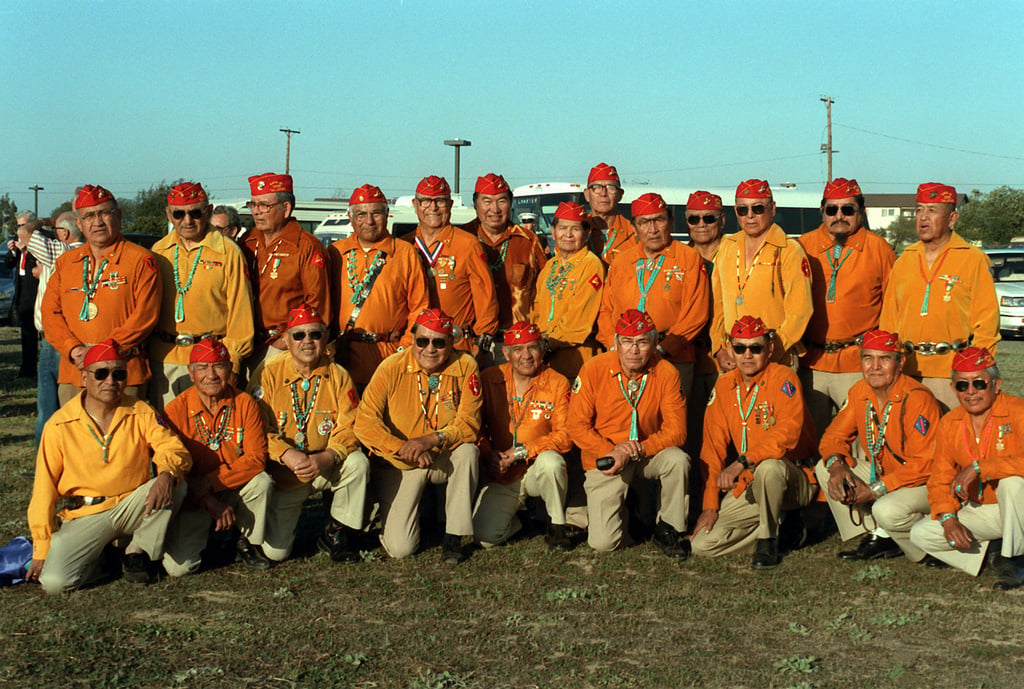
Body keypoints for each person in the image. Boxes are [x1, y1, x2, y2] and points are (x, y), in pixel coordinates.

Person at [25, 340, 191, 594]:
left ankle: (138, 553)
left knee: (175, 484)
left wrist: (167, 472)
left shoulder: (140, 411)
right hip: (86, 513)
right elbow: (44, 490)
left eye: (119, 374)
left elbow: (173, 447)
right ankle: (103, 558)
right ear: (84, 377)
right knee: (55, 583)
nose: (110, 381)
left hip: (132, 505)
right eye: (101, 373)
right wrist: (41, 546)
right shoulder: (59, 424)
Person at [354, 308, 482, 563]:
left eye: (439, 342)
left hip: (441, 454)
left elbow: (469, 422)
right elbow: (364, 423)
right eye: (422, 341)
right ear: (412, 340)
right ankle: (396, 512)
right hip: (402, 462)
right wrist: (403, 447)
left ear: (451, 343)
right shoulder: (391, 367)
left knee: (468, 451)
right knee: (401, 548)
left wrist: (431, 440)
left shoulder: (466, 364)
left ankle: (453, 536)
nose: (430, 349)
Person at [247, 305, 369, 564]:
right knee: (276, 553)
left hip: (323, 465)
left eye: (314, 334)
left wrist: (329, 456)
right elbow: (254, 426)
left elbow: (350, 425)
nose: (307, 342)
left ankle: (336, 532)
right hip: (286, 471)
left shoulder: (338, 375)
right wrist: (284, 453)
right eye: (299, 335)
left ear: (325, 339)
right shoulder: (268, 372)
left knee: (358, 463)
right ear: (286, 340)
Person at [692, 316, 817, 569]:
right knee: (702, 545)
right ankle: (780, 528)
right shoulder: (725, 384)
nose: (747, 355)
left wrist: (742, 461)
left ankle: (767, 541)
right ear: (730, 350)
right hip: (750, 481)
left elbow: (787, 434)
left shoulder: (784, 378)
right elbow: (713, 447)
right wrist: (709, 505)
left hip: (792, 478)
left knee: (770, 466)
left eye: (755, 348)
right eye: (740, 348)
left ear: (769, 349)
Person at [566, 309, 690, 559]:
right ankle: (626, 511)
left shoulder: (667, 372)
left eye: (643, 342)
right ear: (616, 343)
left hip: (646, 452)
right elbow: (576, 426)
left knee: (677, 460)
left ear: (655, 343)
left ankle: (670, 528)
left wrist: (640, 448)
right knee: (603, 544)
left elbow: (677, 431)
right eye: (627, 342)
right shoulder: (593, 369)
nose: (634, 350)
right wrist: (611, 451)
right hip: (608, 457)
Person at [816, 330, 941, 563]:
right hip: (885, 477)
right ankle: (876, 532)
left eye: (884, 359)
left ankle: (931, 543)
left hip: (923, 483)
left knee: (887, 509)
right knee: (825, 468)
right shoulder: (859, 392)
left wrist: (876, 490)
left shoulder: (916, 397)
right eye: (868, 358)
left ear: (900, 362)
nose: (875, 366)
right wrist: (836, 467)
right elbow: (832, 436)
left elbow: (926, 464)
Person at [909, 347, 1024, 589]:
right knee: (920, 535)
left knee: (1013, 483)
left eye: (979, 384)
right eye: (962, 385)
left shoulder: (1018, 410)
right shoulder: (950, 422)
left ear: (997, 384)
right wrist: (949, 518)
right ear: (953, 389)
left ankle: (1015, 559)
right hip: (984, 510)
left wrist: (981, 467)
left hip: (1018, 506)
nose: (971, 392)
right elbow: (940, 478)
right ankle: (993, 551)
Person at [880, 183, 999, 411]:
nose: (923, 218)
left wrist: (971, 372)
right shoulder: (904, 259)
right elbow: (889, 320)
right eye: (919, 210)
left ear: (952, 218)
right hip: (907, 372)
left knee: (951, 442)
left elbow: (988, 323)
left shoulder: (972, 259)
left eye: (932, 211)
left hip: (950, 374)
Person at [41, 184, 162, 405]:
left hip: (121, 372)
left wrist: (104, 354)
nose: (97, 222)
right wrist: (74, 349)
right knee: (75, 437)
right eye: (89, 216)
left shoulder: (141, 260)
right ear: (79, 223)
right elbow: (50, 312)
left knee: (124, 437)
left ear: (119, 216)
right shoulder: (66, 263)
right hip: (75, 371)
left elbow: (146, 316)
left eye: (105, 213)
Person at [161, 339, 273, 574]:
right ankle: (211, 538)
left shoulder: (245, 403)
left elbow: (256, 459)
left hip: (232, 488)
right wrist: (206, 498)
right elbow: (174, 467)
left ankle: (247, 541)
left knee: (262, 482)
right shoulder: (175, 410)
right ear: (191, 373)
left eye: (219, 366)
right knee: (178, 569)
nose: (211, 375)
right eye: (202, 368)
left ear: (229, 370)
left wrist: (210, 482)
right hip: (195, 497)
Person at [799, 178, 896, 437]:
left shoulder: (879, 250)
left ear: (861, 212)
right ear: (822, 211)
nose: (839, 216)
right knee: (811, 439)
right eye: (832, 210)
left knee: (859, 439)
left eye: (848, 210)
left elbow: (892, 309)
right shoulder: (802, 247)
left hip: (857, 364)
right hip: (813, 363)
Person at [149, 182, 254, 407]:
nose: (187, 220)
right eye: (178, 214)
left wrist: (232, 363)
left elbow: (241, 312)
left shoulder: (228, 252)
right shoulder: (158, 252)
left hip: (211, 363)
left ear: (208, 211)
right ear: (168, 214)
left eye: (195, 213)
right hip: (165, 360)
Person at [597, 192, 709, 399]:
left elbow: (697, 313)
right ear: (635, 227)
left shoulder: (688, 258)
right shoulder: (622, 262)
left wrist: (662, 348)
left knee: (671, 420)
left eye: (659, 220)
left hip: (673, 358)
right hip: (624, 359)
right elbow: (606, 310)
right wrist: (614, 347)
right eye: (645, 222)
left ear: (671, 221)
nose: (653, 229)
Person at [473, 322, 573, 551]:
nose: (526, 356)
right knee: (485, 537)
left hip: (536, 467)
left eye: (532, 348)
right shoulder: (489, 378)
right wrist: (488, 454)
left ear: (542, 350)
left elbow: (566, 435)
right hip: (503, 472)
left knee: (552, 461)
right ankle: (520, 521)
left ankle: (556, 526)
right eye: (518, 349)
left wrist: (523, 451)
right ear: (505, 353)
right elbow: (475, 427)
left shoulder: (557, 382)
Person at [329, 184, 428, 387]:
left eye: (376, 213)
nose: (369, 221)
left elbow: (420, 307)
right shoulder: (335, 253)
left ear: (387, 214)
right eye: (361, 214)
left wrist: (405, 347)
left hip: (389, 354)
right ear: (351, 217)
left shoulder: (404, 252)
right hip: (343, 356)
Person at [710, 179, 813, 369]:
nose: (750, 216)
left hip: (775, 359)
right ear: (735, 212)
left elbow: (800, 311)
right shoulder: (727, 247)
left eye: (757, 209)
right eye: (743, 210)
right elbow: (717, 306)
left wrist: (770, 352)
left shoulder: (789, 250)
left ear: (772, 209)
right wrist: (719, 348)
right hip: (734, 358)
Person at [241, 172, 330, 369]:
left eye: (264, 205)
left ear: (286, 208)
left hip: (282, 348)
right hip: (246, 345)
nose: (256, 212)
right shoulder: (247, 241)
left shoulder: (305, 246)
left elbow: (317, 304)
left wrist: (285, 342)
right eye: (253, 205)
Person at [403, 175, 498, 357]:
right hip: (415, 346)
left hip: (456, 345)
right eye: (426, 201)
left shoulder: (468, 244)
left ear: (451, 204)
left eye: (440, 201)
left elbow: (486, 300)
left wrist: (482, 347)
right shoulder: (404, 246)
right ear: (415, 205)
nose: (433, 207)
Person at [18, 212, 85, 443]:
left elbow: (24, 232)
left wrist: (43, 222)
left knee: (48, 407)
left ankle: (46, 465)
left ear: (64, 233)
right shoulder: (76, 254)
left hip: (54, 338)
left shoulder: (62, 251)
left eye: (55, 232)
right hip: (67, 336)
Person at [462, 173, 547, 350]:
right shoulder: (461, 239)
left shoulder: (528, 241)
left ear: (511, 203)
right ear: (475, 204)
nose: (495, 209)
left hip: (518, 343)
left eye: (501, 201)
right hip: (471, 342)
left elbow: (545, 292)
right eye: (487, 201)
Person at [530, 201, 605, 379]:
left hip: (575, 361)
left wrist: (547, 344)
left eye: (575, 229)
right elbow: (537, 310)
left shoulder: (591, 264)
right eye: (563, 228)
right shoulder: (549, 267)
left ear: (586, 234)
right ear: (553, 232)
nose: (568, 235)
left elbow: (579, 319)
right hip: (544, 360)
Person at [684, 191, 726, 459]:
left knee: (726, 431)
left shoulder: (735, 254)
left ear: (721, 220)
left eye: (708, 218)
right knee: (690, 433)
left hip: (725, 356)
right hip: (690, 356)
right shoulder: (679, 259)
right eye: (694, 218)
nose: (701, 224)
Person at [6, 211, 39, 378]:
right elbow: (8, 264)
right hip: (22, 293)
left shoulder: (41, 241)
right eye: (18, 226)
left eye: (23, 226)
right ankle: (28, 368)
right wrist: (13, 252)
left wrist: (28, 248)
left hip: (37, 293)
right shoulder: (19, 243)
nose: (20, 230)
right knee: (27, 333)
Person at [583, 163, 635, 265]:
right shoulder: (576, 233)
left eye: (610, 187)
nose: (603, 194)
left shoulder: (633, 234)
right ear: (587, 194)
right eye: (596, 187)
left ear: (620, 195)